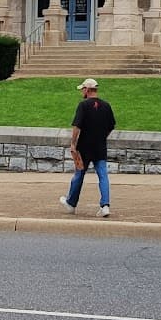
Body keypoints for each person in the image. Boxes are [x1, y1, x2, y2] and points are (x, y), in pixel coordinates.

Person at [60, 77, 115, 217]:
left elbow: (77, 126)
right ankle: (105, 205)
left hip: (84, 147)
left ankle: (71, 203)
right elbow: (111, 126)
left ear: (87, 90)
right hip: (100, 146)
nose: (82, 92)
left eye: (83, 89)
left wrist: (73, 143)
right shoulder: (106, 106)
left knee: (79, 174)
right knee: (103, 175)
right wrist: (102, 136)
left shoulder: (83, 105)